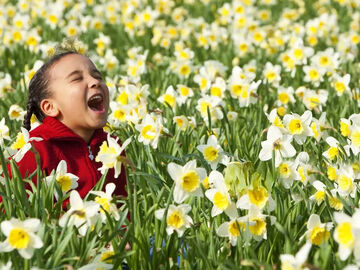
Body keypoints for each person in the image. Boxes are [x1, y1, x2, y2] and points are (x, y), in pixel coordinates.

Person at [9, 50, 127, 201]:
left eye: (97, 76)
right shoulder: (36, 152)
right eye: (77, 79)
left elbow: (123, 210)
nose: (95, 82)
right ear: (50, 107)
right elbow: (8, 207)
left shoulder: (113, 146)